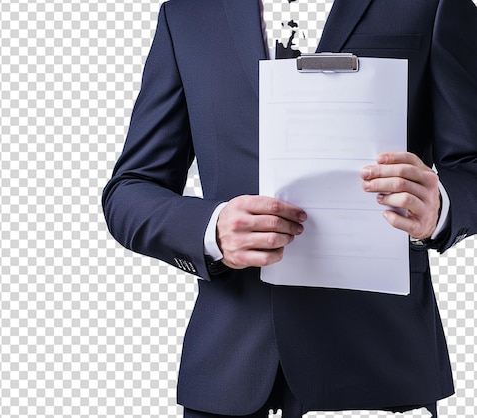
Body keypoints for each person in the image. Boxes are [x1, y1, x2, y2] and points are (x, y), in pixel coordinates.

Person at [102, 0, 477, 416]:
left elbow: (472, 169)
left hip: (381, 372)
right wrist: (211, 229)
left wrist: (439, 206)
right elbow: (130, 190)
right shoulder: (188, 14)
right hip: (228, 376)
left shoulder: (431, 4)